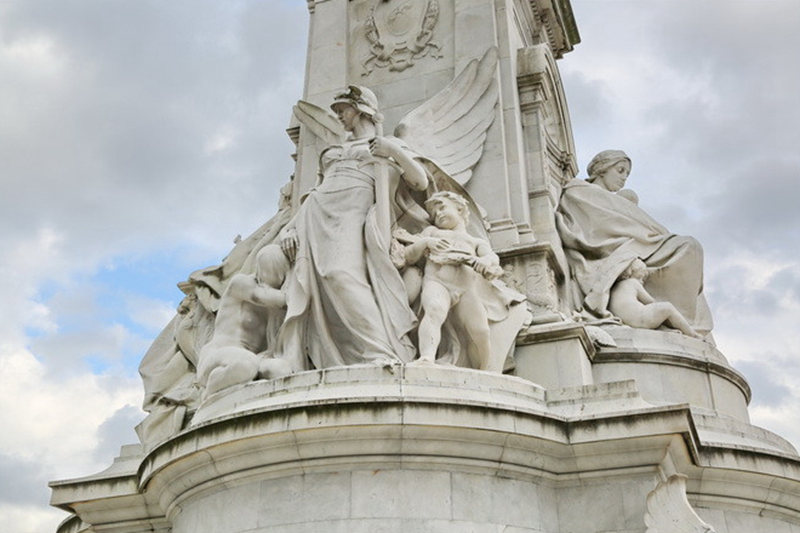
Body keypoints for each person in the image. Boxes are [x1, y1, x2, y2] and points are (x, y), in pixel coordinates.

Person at [274, 86, 429, 370]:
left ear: (360, 110)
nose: (340, 117)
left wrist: (392, 150)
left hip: (352, 215)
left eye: (343, 110)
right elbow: (316, 192)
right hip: (316, 215)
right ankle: (320, 352)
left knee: (341, 273)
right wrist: (290, 228)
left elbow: (421, 182)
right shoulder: (334, 150)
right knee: (312, 280)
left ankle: (380, 350)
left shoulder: (387, 144)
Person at [556, 149, 713, 337]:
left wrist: (645, 235)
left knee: (690, 247)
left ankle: (683, 322)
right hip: (614, 247)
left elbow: (634, 224)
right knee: (688, 246)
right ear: (602, 169)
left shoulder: (618, 199)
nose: (623, 178)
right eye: (620, 170)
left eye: (627, 174)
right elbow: (595, 227)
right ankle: (680, 323)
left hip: (640, 244)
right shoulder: (579, 190)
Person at [404, 191, 516, 372]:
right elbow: (408, 256)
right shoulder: (432, 233)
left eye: (442, 208)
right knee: (434, 310)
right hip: (437, 282)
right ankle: (426, 357)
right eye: (434, 214)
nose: (437, 214)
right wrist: (425, 243)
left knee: (481, 331)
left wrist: (484, 262)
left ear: (460, 209)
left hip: (466, 290)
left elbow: (491, 258)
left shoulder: (474, 241)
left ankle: (486, 369)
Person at [196, 245, 290, 399]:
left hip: (253, 358)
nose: (271, 278)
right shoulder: (241, 284)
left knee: (281, 370)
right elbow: (263, 296)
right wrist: (308, 287)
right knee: (245, 365)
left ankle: (245, 389)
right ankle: (207, 396)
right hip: (219, 354)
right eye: (268, 271)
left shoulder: (277, 312)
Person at [609, 258, 699, 337]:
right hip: (640, 318)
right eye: (642, 276)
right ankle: (692, 334)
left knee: (653, 313)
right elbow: (650, 301)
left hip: (627, 321)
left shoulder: (614, 288)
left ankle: (664, 329)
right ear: (636, 272)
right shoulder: (633, 282)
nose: (642, 280)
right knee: (668, 307)